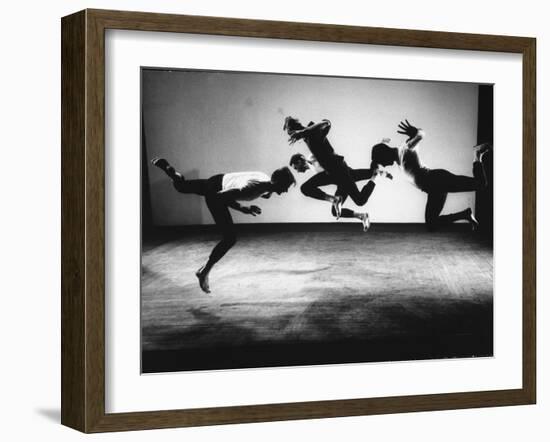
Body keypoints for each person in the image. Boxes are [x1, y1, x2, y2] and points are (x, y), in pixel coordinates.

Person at [151, 158, 296, 293]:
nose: (285, 190)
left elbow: (267, 188)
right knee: (230, 239)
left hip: (217, 179)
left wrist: (269, 192)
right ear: (276, 181)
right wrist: (244, 209)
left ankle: (172, 171)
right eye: (284, 186)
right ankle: (204, 272)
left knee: (181, 186)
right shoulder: (251, 189)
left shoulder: (264, 178)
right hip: (216, 193)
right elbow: (220, 196)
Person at [369, 120, 491, 231]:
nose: (384, 165)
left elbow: (421, 135)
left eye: (382, 162)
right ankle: (465, 214)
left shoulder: (405, 149)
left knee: (480, 184)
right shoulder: (398, 159)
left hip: (438, 180)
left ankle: (477, 154)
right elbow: (381, 148)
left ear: (384, 154)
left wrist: (417, 131)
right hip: (433, 189)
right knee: (431, 224)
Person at [284, 116, 381, 218]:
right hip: (332, 173)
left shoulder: (312, 133)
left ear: (296, 130)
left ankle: (375, 175)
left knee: (360, 200)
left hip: (339, 170)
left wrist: (303, 131)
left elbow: (327, 123)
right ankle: (334, 199)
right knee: (305, 188)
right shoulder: (307, 138)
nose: (293, 138)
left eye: (292, 135)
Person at [289, 153, 392, 231]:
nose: (297, 171)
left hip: (344, 175)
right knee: (335, 211)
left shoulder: (312, 157)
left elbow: (329, 155)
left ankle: (374, 178)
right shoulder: (312, 167)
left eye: (296, 167)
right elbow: (355, 174)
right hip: (342, 180)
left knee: (360, 200)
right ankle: (361, 215)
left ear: (299, 161)